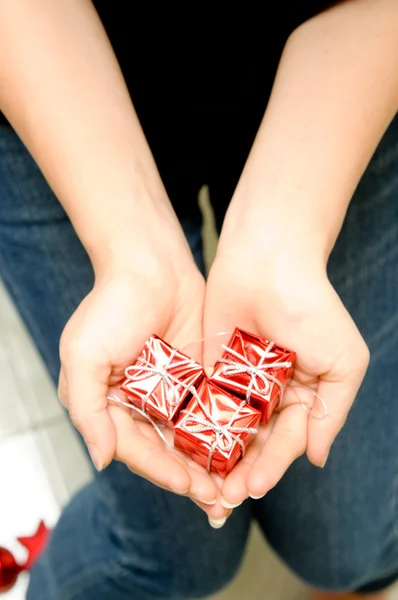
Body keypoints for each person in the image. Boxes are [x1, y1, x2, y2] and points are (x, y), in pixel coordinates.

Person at [0, 0, 397, 598]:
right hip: (48, 71)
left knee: (349, 543)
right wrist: (130, 251)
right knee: (171, 551)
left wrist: (284, 236)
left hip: (343, 63)